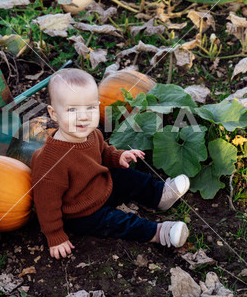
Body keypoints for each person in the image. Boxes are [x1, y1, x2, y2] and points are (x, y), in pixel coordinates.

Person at [31, 68, 190, 260]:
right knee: (116, 221)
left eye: (90, 108)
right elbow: (45, 204)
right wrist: (54, 235)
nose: (83, 117)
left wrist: (118, 156)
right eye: (72, 109)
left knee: (126, 175)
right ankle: (158, 233)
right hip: (81, 213)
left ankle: (160, 194)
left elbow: (103, 152)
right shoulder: (50, 161)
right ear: (54, 114)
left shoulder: (91, 133)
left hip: (100, 186)